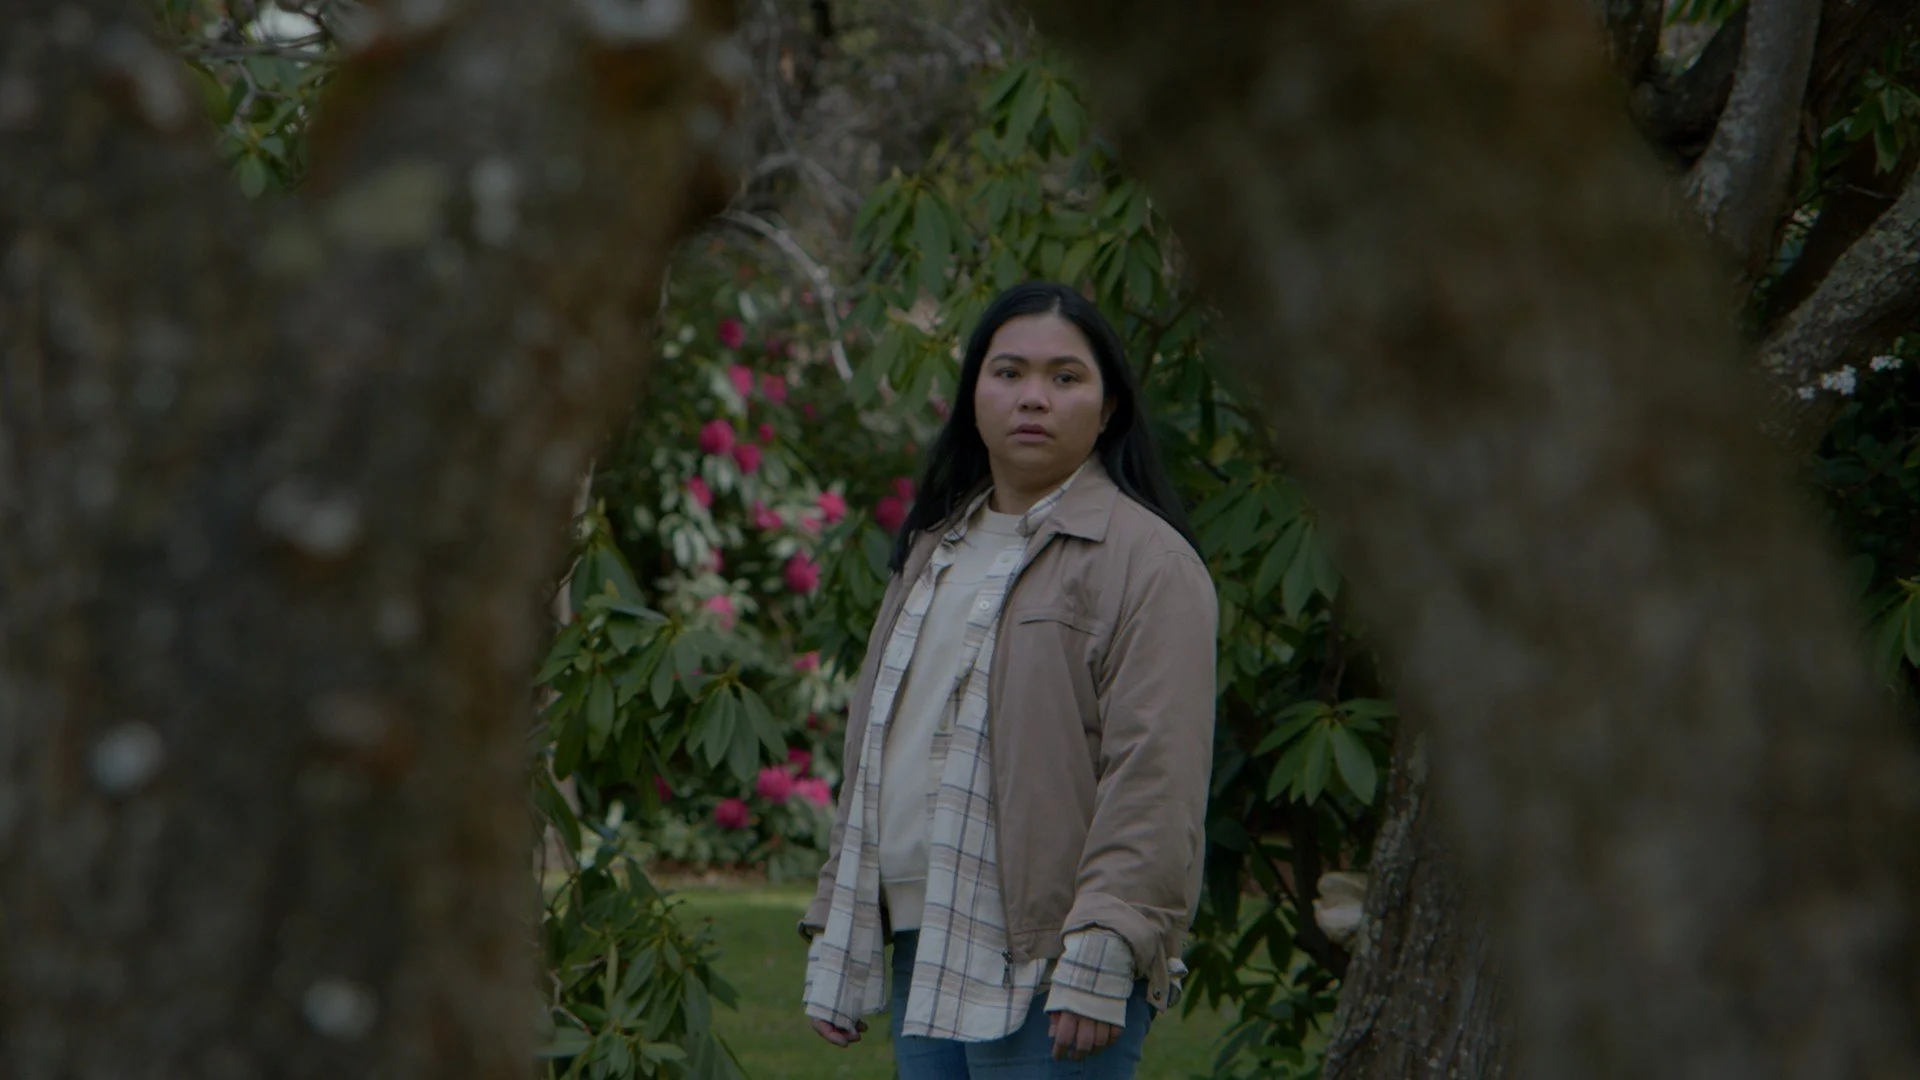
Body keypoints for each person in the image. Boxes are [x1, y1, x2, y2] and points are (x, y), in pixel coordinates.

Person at [799, 281, 1219, 1079]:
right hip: (927, 938)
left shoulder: (1149, 563)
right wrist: (839, 921)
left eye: (1066, 378)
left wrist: (1107, 945)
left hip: (1051, 959)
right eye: (1009, 373)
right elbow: (880, 740)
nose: (1034, 397)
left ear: (1110, 410)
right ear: (972, 397)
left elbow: (1154, 773)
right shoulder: (934, 545)